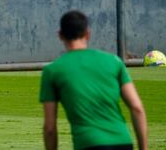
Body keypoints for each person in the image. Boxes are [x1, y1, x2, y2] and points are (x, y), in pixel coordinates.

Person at [39, 10, 147, 150]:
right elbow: (137, 108)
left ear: (60, 35)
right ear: (87, 34)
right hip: (122, 141)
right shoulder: (114, 62)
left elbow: (50, 128)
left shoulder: (52, 71)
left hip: (89, 144)